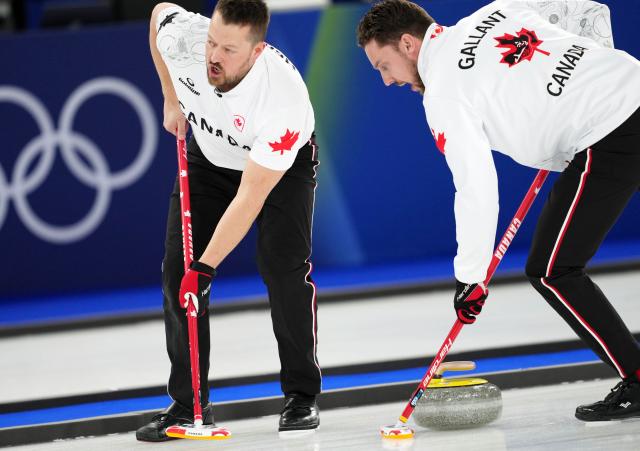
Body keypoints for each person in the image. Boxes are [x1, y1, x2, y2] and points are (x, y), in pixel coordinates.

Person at [357, 0, 640, 421]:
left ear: (407, 43)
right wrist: (590, 74)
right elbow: (587, 10)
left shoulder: (444, 94)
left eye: (383, 65)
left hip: (611, 130)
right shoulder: (498, 10)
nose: (386, 81)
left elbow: (475, 185)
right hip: (630, 82)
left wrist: (470, 277)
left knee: (552, 270)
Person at [136, 0, 321, 441]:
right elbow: (159, 13)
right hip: (209, 157)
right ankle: (188, 404)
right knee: (176, 273)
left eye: (229, 50)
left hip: (277, 169)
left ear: (257, 52)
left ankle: (301, 394)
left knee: (282, 269)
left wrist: (207, 266)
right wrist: (169, 99)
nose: (214, 56)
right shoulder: (187, 39)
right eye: (213, 42)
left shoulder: (283, 100)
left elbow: (251, 195)